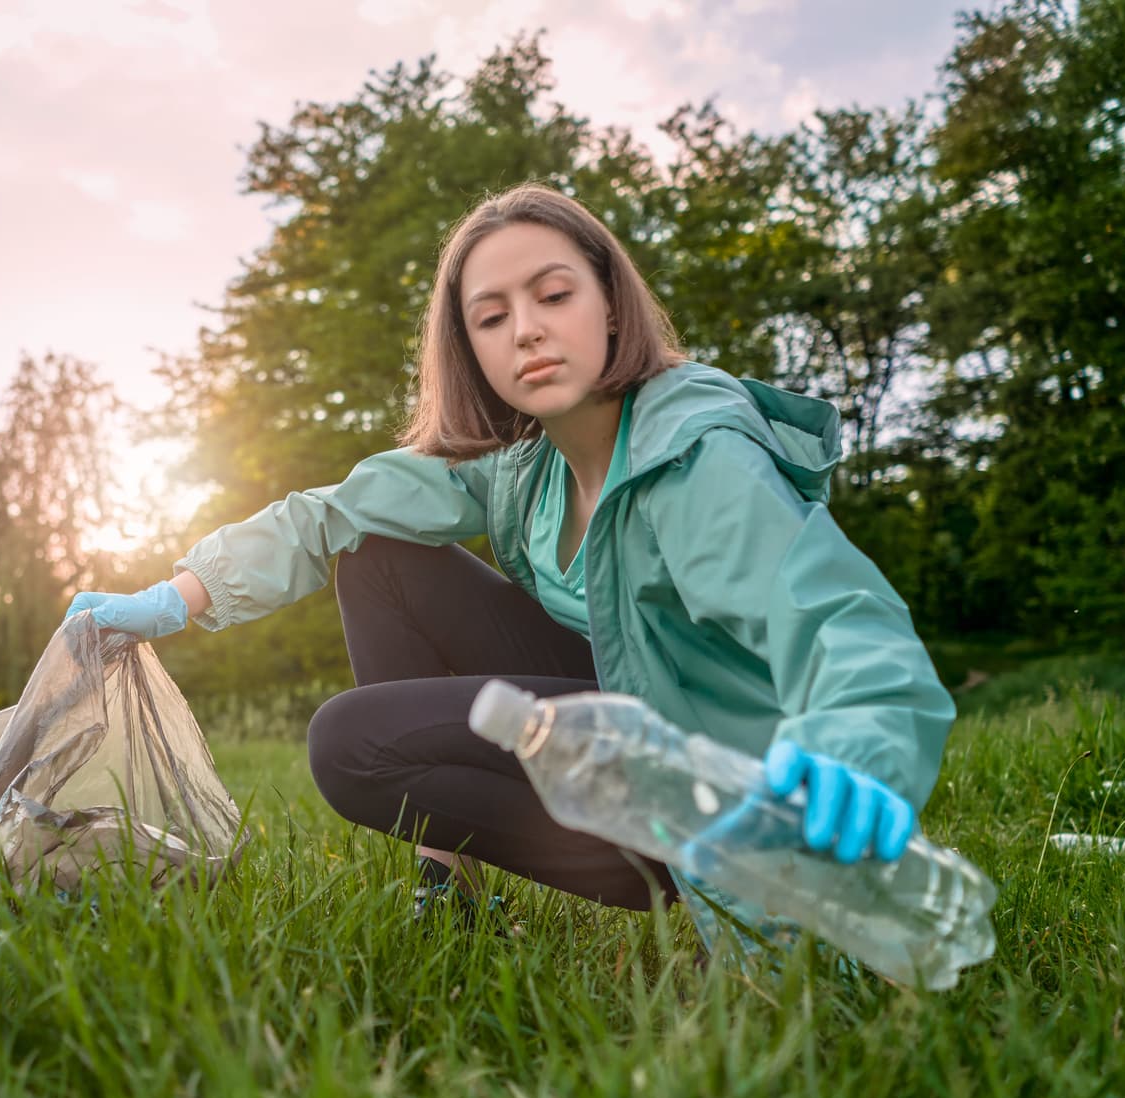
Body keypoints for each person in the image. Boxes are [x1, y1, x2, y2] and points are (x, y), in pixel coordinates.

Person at [66, 181, 955, 946]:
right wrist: (177, 599)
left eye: (553, 295)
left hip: (721, 787)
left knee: (348, 743)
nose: (526, 331)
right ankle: (446, 888)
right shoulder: (522, 465)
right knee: (378, 554)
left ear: (610, 304)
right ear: (474, 351)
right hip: (621, 726)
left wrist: (857, 747)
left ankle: (698, 873)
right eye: (492, 317)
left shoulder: (696, 455)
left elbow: (834, 615)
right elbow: (334, 514)